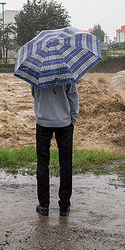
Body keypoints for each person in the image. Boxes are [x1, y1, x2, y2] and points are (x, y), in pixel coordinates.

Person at [32, 83, 79, 217]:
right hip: (64, 123)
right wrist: (72, 120)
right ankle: (64, 206)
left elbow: (35, 95)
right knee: (65, 164)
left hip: (43, 122)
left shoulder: (37, 73)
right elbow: (73, 98)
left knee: (42, 164)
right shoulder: (67, 73)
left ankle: (44, 206)